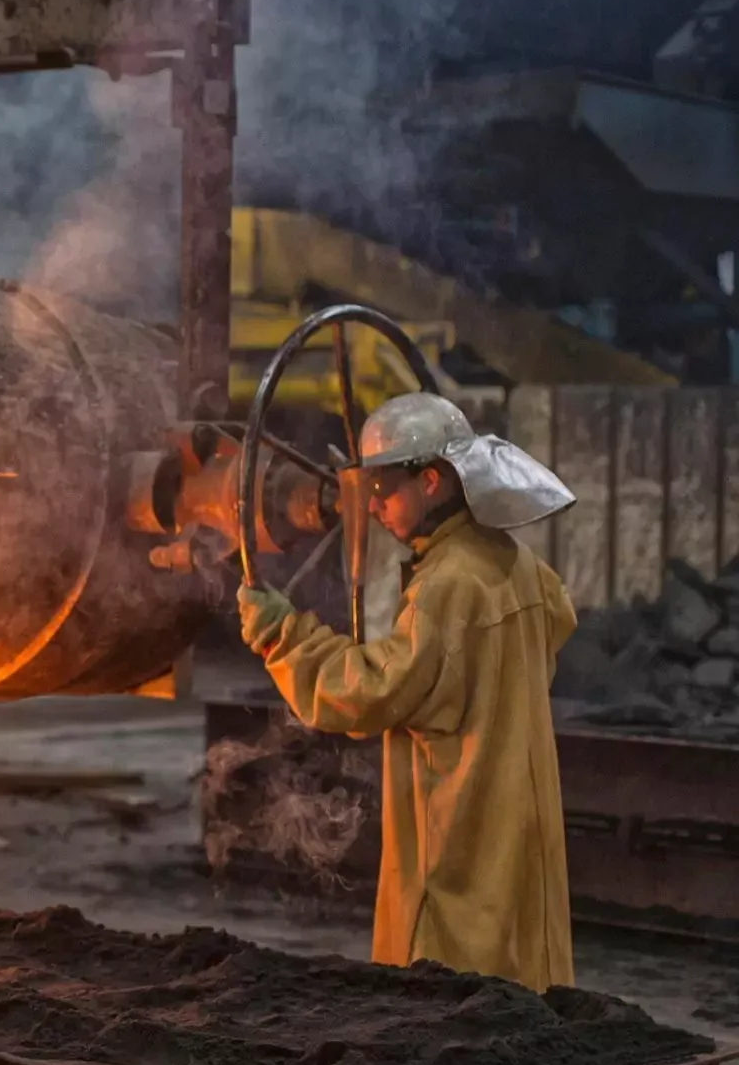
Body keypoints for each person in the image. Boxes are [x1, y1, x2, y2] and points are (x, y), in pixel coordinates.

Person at [236, 392, 578, 992]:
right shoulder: (518, 564)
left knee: (446, 991)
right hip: (519, 829)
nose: (371, 507)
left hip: (460, 834)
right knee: (522, 983)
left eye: (383, 489)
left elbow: (371, 693)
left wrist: (282, 638)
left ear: (431, 481)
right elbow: (553, 628)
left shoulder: (445, 587)